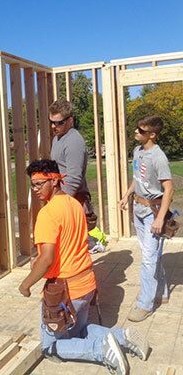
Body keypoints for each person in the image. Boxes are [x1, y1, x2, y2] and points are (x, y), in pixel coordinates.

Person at [19, 159, 149, 374]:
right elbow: (64, 244)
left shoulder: (47, 213)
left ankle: (101, 349)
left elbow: (47, 259)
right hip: (86, 283)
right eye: (32, 185)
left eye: (39, 183)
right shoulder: (73, 204)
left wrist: (26, 284)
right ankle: (122, 336)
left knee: (50, 345)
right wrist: (41, 257)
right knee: (78, 329)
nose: (35, 189)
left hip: (65, 291)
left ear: (54, 180)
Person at [119, 116, 174, 322]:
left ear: (152, 134)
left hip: (153, 212)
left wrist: (160, 218)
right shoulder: (138, 151)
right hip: (138, 209)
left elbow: (169, 189)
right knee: (150, 255)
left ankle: (145, 304)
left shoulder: (158, 157)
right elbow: (137, 178)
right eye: (136, 129)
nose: (136, 133)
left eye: (140, 131)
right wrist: (127, 195)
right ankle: (163, 291)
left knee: (149, 259)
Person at [49, 99, 101, 251]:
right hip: (62, 198)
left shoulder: (73, 141)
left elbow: (73, 178)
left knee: (75, 249)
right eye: (51, 122)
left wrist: (60, 204)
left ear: (70, 120)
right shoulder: (57, 138)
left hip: (72, 200)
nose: (54, 126)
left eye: (58, 123)